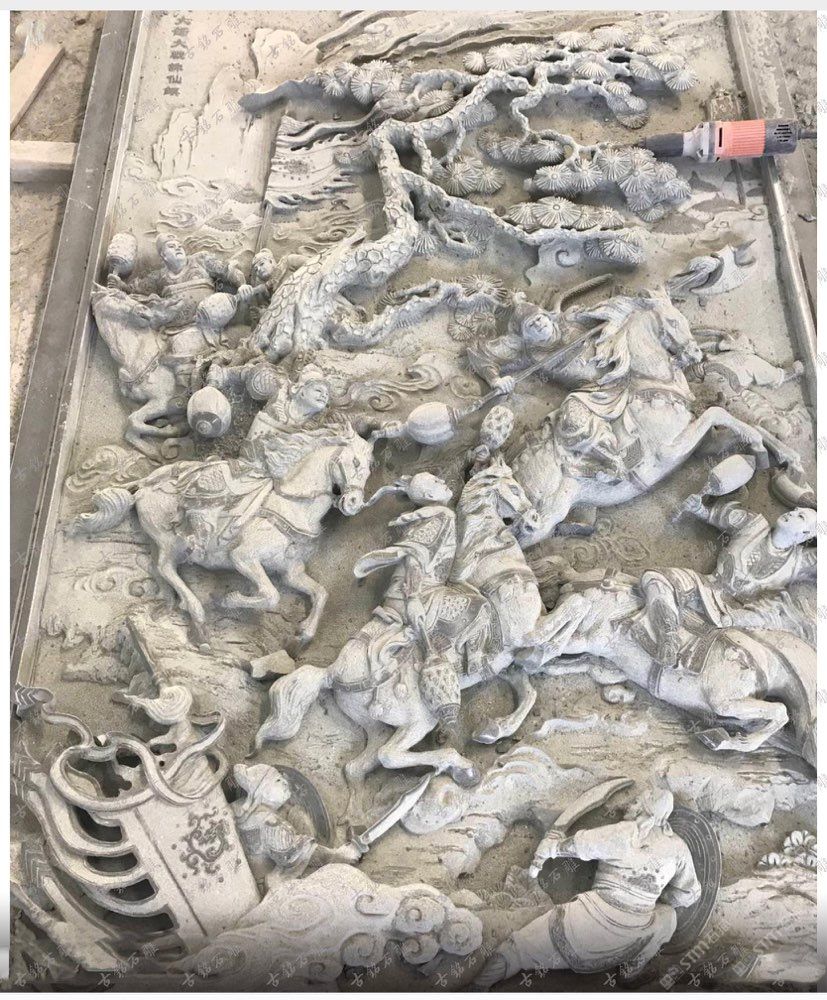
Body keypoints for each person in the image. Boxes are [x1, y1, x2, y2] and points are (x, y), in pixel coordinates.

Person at [475, 785, 700, 987]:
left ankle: (477, 988)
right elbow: (690, 893)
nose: (628, 806)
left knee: (517, 948)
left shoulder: (624, 833)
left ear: (645, 809)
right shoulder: (678, 848)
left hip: (587, 924)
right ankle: (632, 969)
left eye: (635, 802)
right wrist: (657, 896)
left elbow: (581, 845)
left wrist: (552, 847)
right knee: (668, 917)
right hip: (634, 935)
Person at [640, 494, 817, 666]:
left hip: (737, 615)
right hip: (707, 587)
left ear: (805, 534)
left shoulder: (799, 563)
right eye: (795, 510)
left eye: (800, 517)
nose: (792, 513)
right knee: (655, 578)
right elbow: (716, 514)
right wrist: (698, 508)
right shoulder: (754, 524)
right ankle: (668, 637)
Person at [109, 233, 253, 327]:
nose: (178, 248)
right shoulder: (159, 277)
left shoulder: (201, 259)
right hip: (175, 327)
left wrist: (242, 285)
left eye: (179, 246)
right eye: (171, 246)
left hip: (208, 320)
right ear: (163, 255)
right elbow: (135, 290)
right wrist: (119, 284)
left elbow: (229, 271)